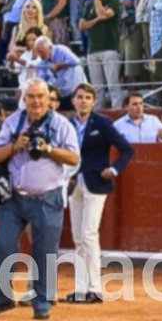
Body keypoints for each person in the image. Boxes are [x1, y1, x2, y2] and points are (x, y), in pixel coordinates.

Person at [0, 78, 80, 321]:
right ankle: (2, 300)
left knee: (45, 251)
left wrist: (48, 149)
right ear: (23, 99)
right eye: (31, 97)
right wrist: (15, 146)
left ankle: (42, 303)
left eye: (40, 97)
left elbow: (73, 158)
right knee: (4, 244)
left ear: (49, 99)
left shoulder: (61, 124)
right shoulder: (13, 122)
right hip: (14, 198)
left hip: (48, 197)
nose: (36, 101)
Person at [65, 82, 134, 304]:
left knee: (88, 234)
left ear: (93, 102)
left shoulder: (102, 123)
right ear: (73, 101)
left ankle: (94, 289)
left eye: (87, 98)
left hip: (96, 183)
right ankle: (80, 289)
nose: (83, 101)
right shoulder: (66, 124)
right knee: (78, 237)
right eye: (79, 97)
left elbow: (126, 148)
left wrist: (114, 169)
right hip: (73, 182)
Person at [78, 0, 124, 110]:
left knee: (112, 85)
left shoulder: (113, 1)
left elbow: (104, 15)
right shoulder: (89, 5)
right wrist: (97, 20)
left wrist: (97, 1)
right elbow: (82, 25)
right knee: (97, 88)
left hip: (110, 48)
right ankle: (97, 112)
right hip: (92, 49)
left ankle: (117, 112)